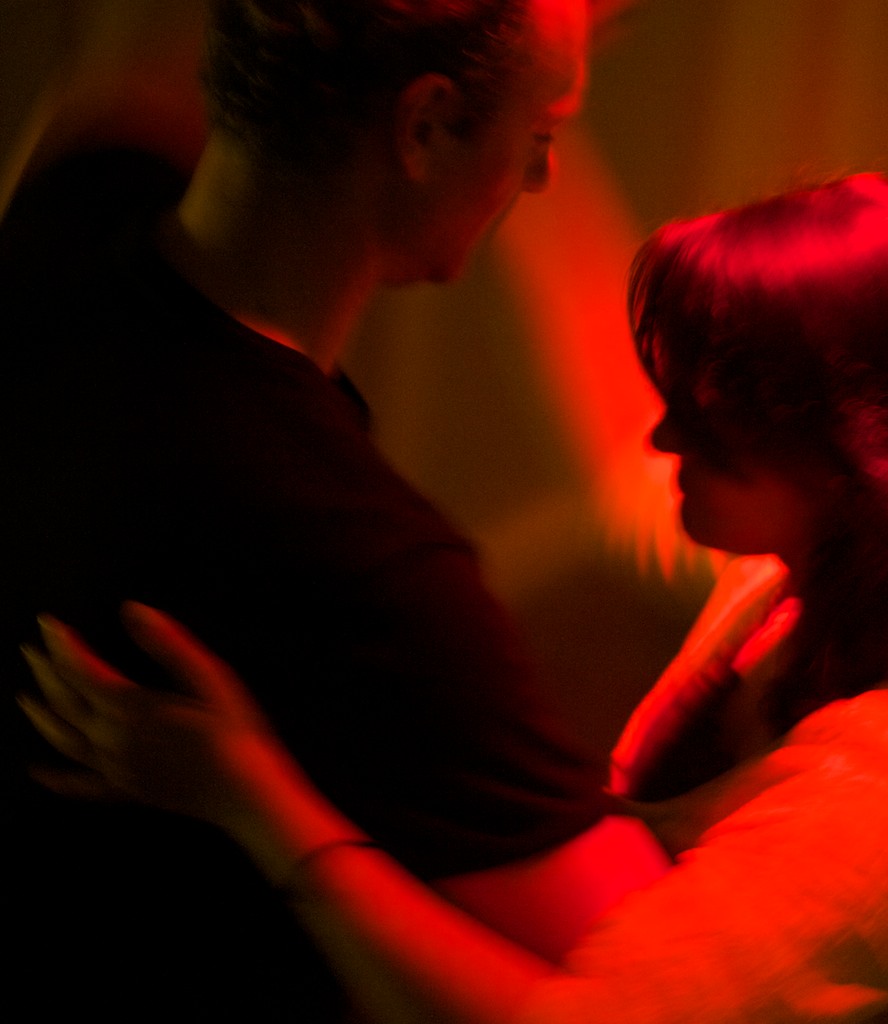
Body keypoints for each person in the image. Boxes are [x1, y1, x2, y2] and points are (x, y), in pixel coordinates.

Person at [23, 174, 888, 1024]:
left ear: (865, 461)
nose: (663, 439)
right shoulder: (824, 568)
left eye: (711, 428)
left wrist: (258, 803)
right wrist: (542, 173)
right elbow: (621, 483)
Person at [1, 2, 667, 1021]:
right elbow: (659, 981)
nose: (541, 179)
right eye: (541, 134)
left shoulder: (73, 219)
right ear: (425, 126)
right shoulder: (358, 562)